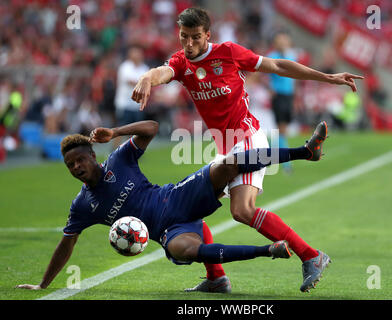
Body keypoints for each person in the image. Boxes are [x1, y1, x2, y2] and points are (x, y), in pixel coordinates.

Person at [131, 8, 362, 291]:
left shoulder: (228, 52)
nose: (188, 44)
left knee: (242, 210)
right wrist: (146, 78)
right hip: (224, 150)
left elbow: (278, 66)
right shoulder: (181, 62)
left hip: (248, 139)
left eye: (195, 38)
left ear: (208, 36)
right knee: (191, 209)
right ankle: (216, 278)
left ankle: (311, 256)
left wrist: (328, 77)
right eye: (183, 37)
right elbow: (162, 72)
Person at [15, 119, 330, 293]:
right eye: (69, 165)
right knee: (182, 250)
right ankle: (244, 265)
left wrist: (116, 132)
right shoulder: (82, 205)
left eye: (80, 159)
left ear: (93, 156)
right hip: (167, 230)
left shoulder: (119, 160)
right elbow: (65, 245)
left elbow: (151, 127)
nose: (75, 167)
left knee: (228, 164)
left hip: (176, 195)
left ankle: (305, 152)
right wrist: (43, 283)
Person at [267, 31, 297, 173]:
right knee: (281, 129)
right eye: (280, 41)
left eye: (284, 40)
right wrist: (270, 88)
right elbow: (262, 75)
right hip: (279, 96)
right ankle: (286, 164)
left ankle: (270, 156)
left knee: (282, 129)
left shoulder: (291, 56)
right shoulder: (272, 57)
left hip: (289, 96)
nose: (283, 43)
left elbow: (294, 77)